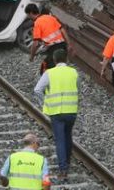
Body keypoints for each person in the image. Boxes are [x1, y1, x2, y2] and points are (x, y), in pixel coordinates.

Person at [33, 48, 78, 180]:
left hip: (56, 112)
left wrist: (45, 102)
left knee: (60, 139)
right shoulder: (73, 72)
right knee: (68, 136)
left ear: (54, 60)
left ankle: (63, 170)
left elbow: (37, 90)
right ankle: (67, 162)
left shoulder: (49, 73)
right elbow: (78, 89)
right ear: (66, 59)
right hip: (71, 111)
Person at [27, 3, 70, 72]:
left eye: (28, 15)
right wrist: (69, 44)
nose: (28, 17)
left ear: (31, 13)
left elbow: (35, 43)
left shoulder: (37, 23)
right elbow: (63, 30)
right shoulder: (50, 17)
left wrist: (32, 56)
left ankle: (50, 81)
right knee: (59, 68)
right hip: (63, 46)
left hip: (54, 49)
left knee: (45, 70)